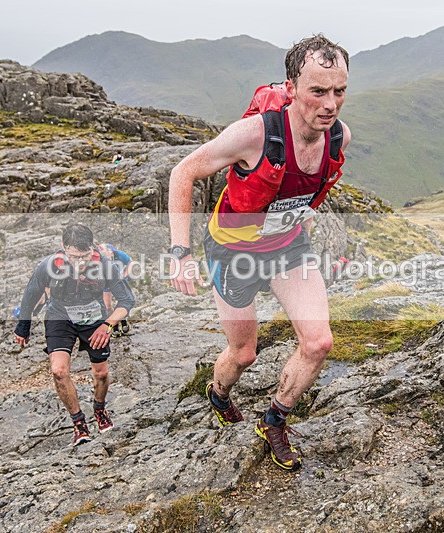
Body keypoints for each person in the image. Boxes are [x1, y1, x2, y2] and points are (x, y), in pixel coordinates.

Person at [168, 35, 350, 471]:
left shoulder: (339, 137)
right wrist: (180, 252)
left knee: (319, 342)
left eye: (340, 91)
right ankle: (218, 392)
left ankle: (274, 418)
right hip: (232, 252)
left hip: (288, 247)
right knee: (244, 353)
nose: (330, 105)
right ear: (291, 88)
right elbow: (184, 171)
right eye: (318, 91)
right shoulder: (254, 134)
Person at [13, 224, 135, 446]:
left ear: (93, 248)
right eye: (74, 257)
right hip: (60, 316)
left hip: (94, 318)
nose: (80, 262)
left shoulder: (106, 266)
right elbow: (30, 296)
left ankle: (99, 408)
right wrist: (23, 326)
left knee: (101, 373)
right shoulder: (48, 266)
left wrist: (107, 325)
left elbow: (127, 300)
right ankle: (79, 423)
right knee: (59, 371)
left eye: (85, 256)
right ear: (63, 249)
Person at [97, 243, 133, 335]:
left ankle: (123, 320)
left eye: (107, 258)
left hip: (120, 279)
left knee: (122, 301)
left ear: (111, 253)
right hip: (106, 281)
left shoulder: (119, 254)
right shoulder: (98, 257)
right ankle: (115, 326)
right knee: (107, 305)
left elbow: (131, 263)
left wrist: (125, 275)